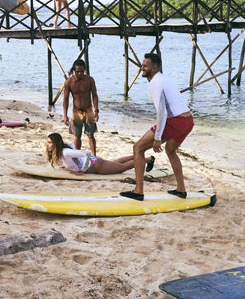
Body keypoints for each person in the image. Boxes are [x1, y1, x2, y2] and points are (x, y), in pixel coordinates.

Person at [120, 53, 194, 201]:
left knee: (138, 148)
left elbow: (162, 112)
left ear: (154, 67)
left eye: (145, 66)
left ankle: (138, 191)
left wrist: (157, 138)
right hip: (188, 121)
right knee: (170, 151)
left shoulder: (155, 83)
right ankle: (181, 189)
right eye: (142, 65)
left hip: (176, 120)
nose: (142, 68)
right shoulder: (164, 79)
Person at [45, 132, 154, 175]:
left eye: (50, 143)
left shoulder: (65, 152)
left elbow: (86, 153)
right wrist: (69, 165)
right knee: (116, 163)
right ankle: (139, 156)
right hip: (95, 162)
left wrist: (81, 171)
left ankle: (147, 159)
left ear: (57, 143)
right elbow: (73, 146)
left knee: (123, 167)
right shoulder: (64, 150)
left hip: (95, 167)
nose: (47, 145)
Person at [63, 59, 99, 156]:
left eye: (82, 71)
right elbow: (65, 99)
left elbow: (95, 95)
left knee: (90, 135)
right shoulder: (69, 82)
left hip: (88, 110)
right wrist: (65, 115)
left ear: (85, 70)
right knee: (77, 136)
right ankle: (77, 155)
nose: (80, 73)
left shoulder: (89, 80)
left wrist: (96, 111)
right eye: (78, 71)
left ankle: (94, 156)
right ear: (74, 70)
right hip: (76, 111)